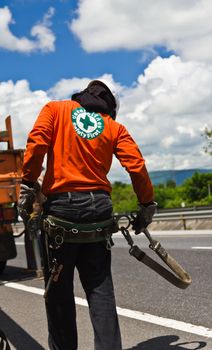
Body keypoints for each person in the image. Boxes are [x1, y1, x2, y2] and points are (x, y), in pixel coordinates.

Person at [18, 79, 156, 350]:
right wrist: (146, 204)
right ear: (109, 107)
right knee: (100, 290)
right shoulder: (114, 127)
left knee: (58, 294)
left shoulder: (55, 109)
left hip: (61, 211)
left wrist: (27, 182)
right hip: (99, 211)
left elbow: (37, 144)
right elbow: (136, 166)